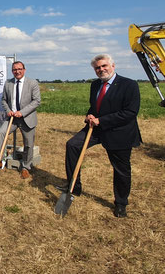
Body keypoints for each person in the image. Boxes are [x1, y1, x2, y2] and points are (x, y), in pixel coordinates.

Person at [59, 54, 142, 218]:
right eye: (97, 68)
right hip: (95, 128)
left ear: (113, 66)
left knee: (121, 169)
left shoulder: (129, 85)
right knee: (73, 145)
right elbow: (95, 107)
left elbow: (130, 112)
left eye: (104, 66)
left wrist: (101, 120)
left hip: (119, 132)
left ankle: (121, 203)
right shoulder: (96, 85)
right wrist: (89, 115)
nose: (101, 70)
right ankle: (74, 186)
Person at [0, 61, 41, 179]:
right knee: (2, 132)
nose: (17, 71)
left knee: (28, 144)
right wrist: (8, 111)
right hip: (12, 118)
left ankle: (26, 167)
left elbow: (36, 101)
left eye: (19, 69)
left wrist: (22, 112)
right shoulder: (8, 83)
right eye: (15, 69)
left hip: (27, 118)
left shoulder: (32, 83)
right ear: (12, 71)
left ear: (24, 70)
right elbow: (3, 100)